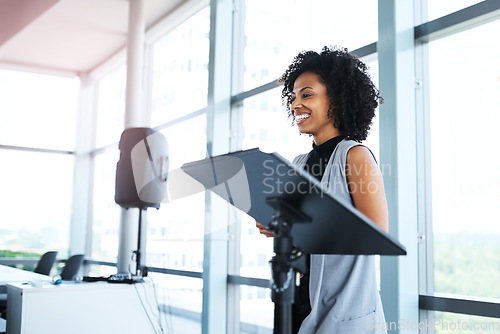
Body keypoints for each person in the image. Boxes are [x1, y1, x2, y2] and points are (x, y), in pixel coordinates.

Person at [256, 46, 389, 334]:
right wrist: (278, 225)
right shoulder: (299, 164)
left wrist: (306, 225)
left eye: (306, 94)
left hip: (347, 312)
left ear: (338, 100)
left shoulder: (355, 156)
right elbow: (299, 241)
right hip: (301, 306)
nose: (295, 105)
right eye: (293, 97)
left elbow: (376, 234)